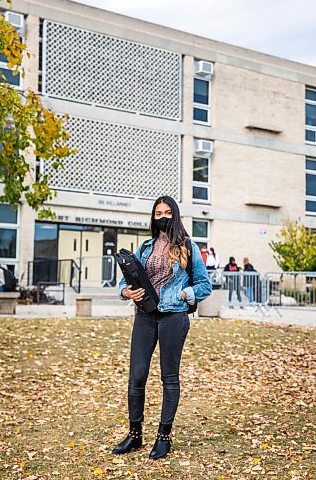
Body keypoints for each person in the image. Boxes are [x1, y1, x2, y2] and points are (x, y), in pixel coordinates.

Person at [112, 195, 212, 460]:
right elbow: (128, 280)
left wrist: (183, 295)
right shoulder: (145, 246)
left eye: (168, 212)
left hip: (173, 317)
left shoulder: (189, 247)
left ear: (175, 215)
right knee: (137, 375)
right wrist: (125, 292)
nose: (163, 216)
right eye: (158, 213)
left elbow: (205, 285)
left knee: (169, 377)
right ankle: (135, 435)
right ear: (153, 217)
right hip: (145, 316)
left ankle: (164, 436)